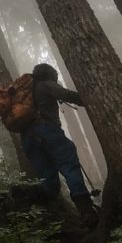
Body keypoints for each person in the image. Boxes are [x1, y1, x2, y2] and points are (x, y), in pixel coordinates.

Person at [22, 63, 98, 227]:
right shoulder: (45, 84)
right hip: (47, 132)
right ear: (50, 74)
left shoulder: (26, 92)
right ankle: (86, 211)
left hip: (28, 139)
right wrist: (90, 99)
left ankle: (25, 200)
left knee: (48, 178)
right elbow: (65, 94)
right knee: (68, 164)